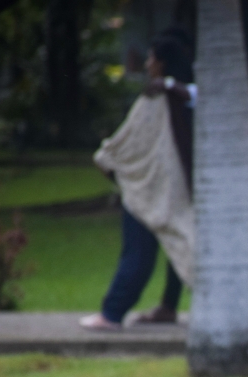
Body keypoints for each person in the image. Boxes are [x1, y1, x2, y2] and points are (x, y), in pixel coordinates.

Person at [80, 29, 197, 331]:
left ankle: (111, 314)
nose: (147, 64)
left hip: (148, 186)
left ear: (162, 63)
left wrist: (108, 159)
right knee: (181, 243)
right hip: (181, 188)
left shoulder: (157, 97)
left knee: (138, 251)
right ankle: (168, 309)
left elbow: (131, 140)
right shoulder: (185, 96)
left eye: (151, 58)